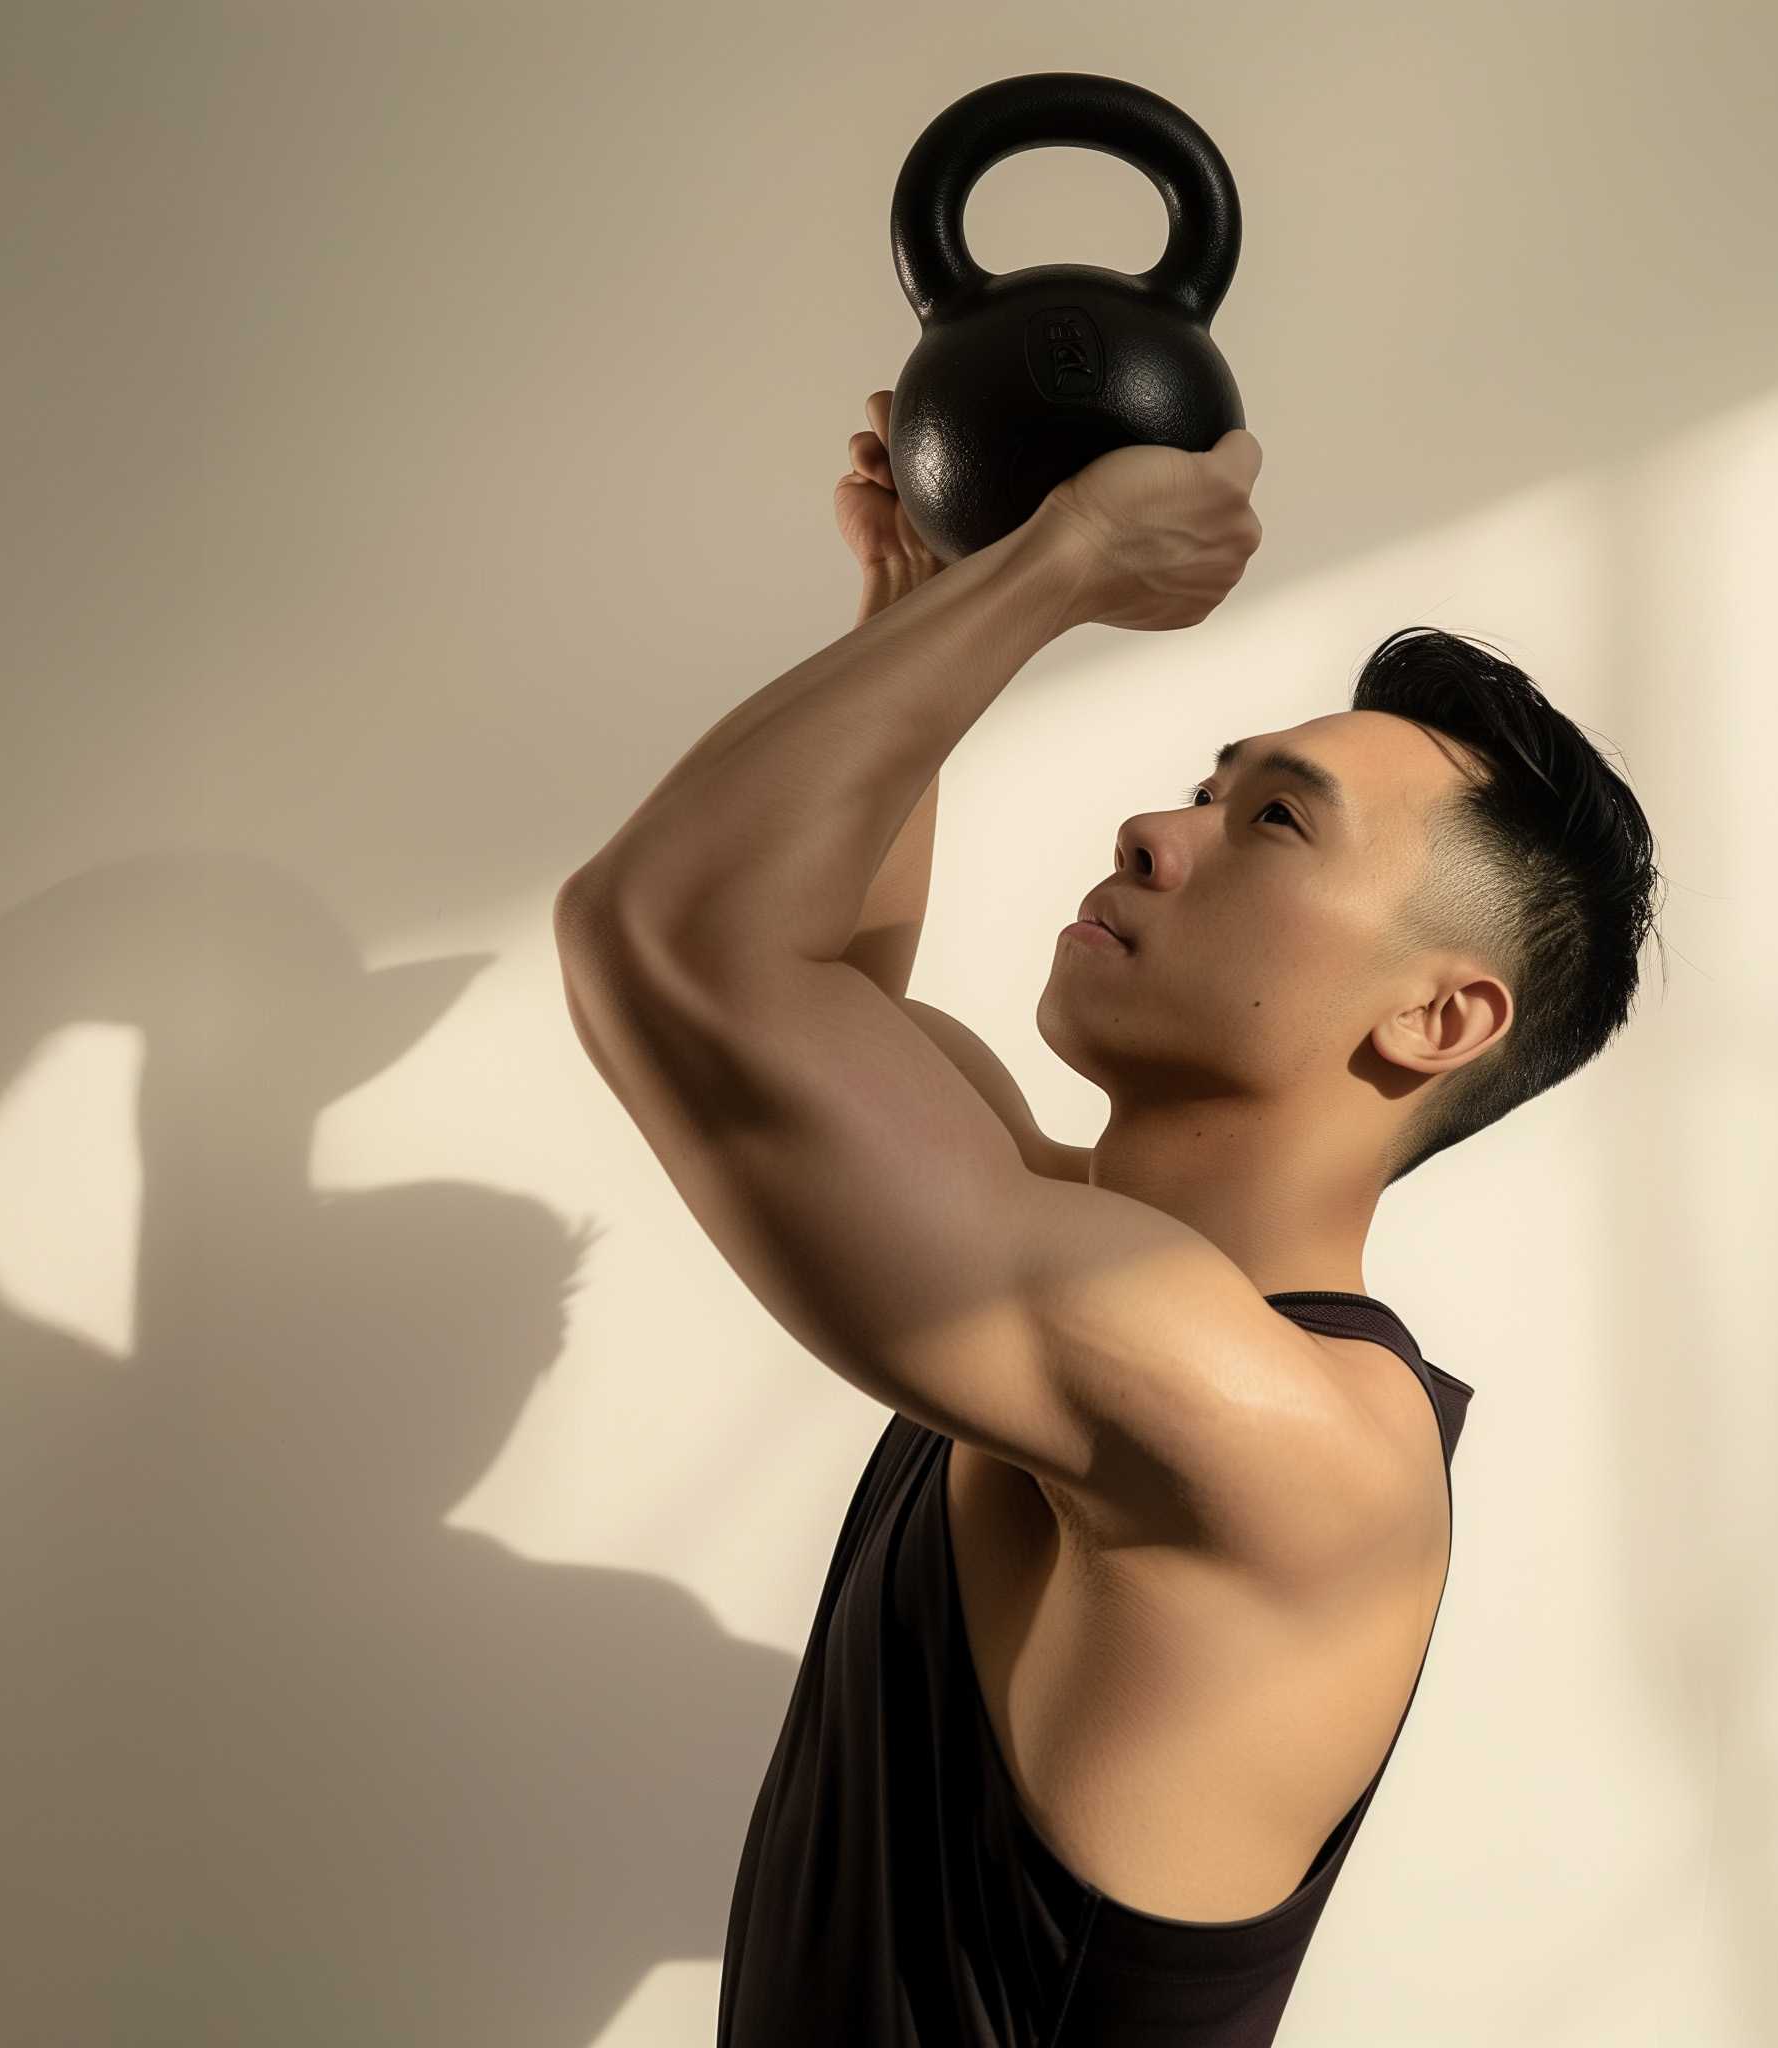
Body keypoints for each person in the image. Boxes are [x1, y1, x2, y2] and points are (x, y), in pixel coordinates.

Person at [557, 392, 1659, 2042]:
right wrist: (929, 599)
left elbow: (670, 942)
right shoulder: (1068, 1255)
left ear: (1437, 1018)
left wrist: (1061, 564)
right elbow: (807, 977)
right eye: (1206, 788)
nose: (1153, 829)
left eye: (1272, 821)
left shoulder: (1281, 1441)